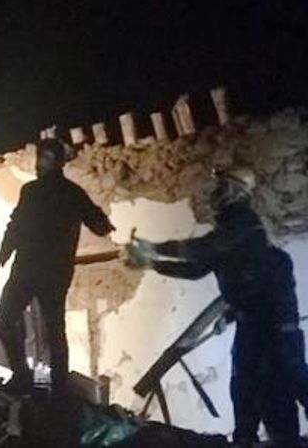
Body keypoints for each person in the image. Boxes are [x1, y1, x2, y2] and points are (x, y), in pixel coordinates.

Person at [131, 167, 308, 446]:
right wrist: (152, 264)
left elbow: (202, 249)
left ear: (235, 191)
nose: (215, 192)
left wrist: (154, 248)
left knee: (278, 393)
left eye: (222, 186)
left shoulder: (243, 222)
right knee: (244, 392)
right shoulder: (231, 233)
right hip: (253, 327)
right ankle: (246, 440)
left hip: (275, 332)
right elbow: (196, 269)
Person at [0, 138, 114, 394]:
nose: (39, 164)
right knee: (26, 323)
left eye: (45, 159)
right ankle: (37, 381)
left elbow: (16, 226)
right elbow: (17, 226)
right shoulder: (52, 192)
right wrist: (3, 254)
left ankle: (45, 383)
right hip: (42, 270)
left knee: (40, 325)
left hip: (37, 270)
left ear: (57, 162)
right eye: (39, 158)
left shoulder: (63, 193)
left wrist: (4, 254)